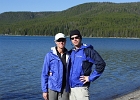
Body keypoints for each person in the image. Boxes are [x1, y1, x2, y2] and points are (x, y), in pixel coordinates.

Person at [69, 29, 106, 100]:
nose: (75, 39)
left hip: (81, 88)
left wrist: (90, 78)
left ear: (80, 38)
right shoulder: (71, 52)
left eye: (76, 37)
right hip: (71, 89)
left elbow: (101, 64)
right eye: (72, 38)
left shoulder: (87, 51)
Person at [41, 33, 70, 100]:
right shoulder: (49, 55)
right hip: (52, 88)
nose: (61, 42)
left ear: (65, 41)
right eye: (59, 40)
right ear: (56, 42)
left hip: (65, 88)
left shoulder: (69, 55)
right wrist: (44, 90)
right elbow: (44, 73)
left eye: (63, 40)